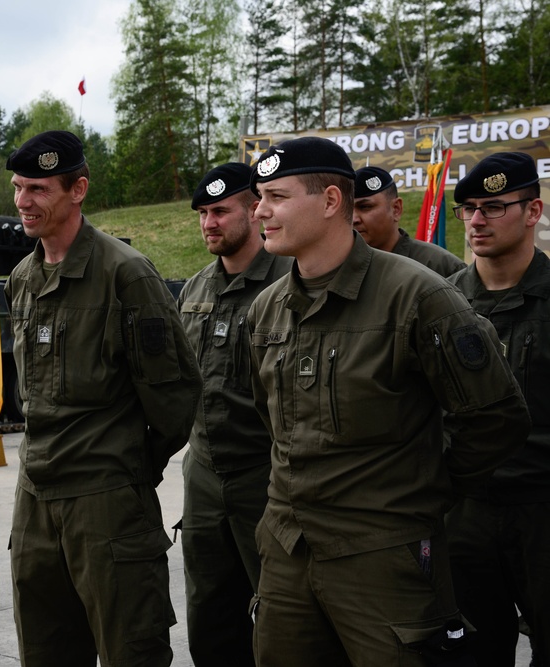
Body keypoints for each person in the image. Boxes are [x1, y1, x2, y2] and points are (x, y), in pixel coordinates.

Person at [245, 136, 530, 664]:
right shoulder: (267, 309)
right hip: (288, 548)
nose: (259, 210)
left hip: (382, 557)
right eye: (260, 196)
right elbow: (272, 417)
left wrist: (422, 490)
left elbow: (495, 416)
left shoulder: (418, 295)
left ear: (331, 201)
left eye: (276, 196)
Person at [3, 130, 202, 666]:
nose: (23, 201)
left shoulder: (124, 275)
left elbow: (177, 399)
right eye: (19, 187)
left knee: (129, 652)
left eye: (38, 189)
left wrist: (127, 467)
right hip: (35, 501)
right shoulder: (22, 278)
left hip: (106, 502)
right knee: (45, 651)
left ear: (78, 190)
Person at [177, 163, 292, 665]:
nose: (209, 223)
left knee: (283, 615)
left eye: (221, 211)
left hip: (266, 476)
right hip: (204, 476)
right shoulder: (196, 289)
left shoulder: (290, 281)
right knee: (210, 614)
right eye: (203, 213)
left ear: (253, 208)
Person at [445, 152, 549, 665]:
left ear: (533, 212)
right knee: (472, 652)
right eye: (467, 209)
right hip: (465, 516)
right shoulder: (441, 304)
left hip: (542, 511)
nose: (476, 221)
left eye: (493, 207)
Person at [352, 166, 466, 277]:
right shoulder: (341, 265)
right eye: (348, 209)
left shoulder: (440, 266)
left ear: (396, 209)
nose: (354, 219)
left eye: (365, 207)